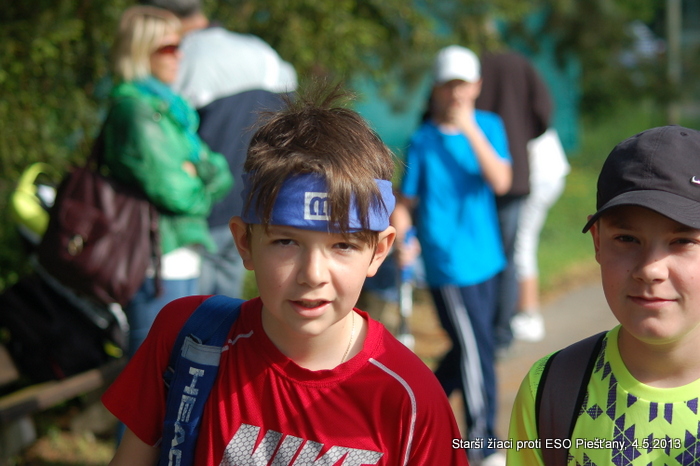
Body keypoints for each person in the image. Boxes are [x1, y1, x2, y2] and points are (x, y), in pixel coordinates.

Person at [102, 84, 470, 466]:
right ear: (245, 242)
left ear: (378, 251)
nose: (313, 275)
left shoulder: (412, 402)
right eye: (286, 242)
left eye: (343, 245)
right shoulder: (190, 340)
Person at [508, 125, 700, 464]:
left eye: (682, 241)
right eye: (627, 239)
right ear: (598, 242)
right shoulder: (551, 390)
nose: (650, 269)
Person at [394, 45, 511, 465]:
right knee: (475, 351)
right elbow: (405, 203)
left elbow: (501, 180)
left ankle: (413, 407)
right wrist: (402, 238)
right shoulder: (422, 140)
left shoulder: (489, 126)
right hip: (448, 264)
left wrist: (469, 129)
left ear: (477, 86)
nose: (456, 93)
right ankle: (483, 442)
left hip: (488, 258)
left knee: (477, 347)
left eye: (463, 84)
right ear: (437, 89)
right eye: (448, 85)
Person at [139, 0, 298, 299]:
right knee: (227, 313)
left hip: (201, 217)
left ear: (164, 17)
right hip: (256, 209)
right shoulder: (263, 52)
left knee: (190, 314)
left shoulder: (182, 59)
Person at [104, 5, 233, 356]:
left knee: (177, 366)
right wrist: (198, 181)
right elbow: (178, 194)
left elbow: (220, 171)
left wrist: (196, 174)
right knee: (154, 368)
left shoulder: (172, 110)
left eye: (181, 46)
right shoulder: (137, 112)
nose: (180, 56)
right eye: (169, 47)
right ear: (141, 51)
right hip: (155, 261)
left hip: (180, 252)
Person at [475, 50, 552, 353]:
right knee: (507, 257)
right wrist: (518, 137)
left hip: (472, 177)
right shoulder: (522, 64)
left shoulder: (471, 65)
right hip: (515, 174)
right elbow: (544, 111)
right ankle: (500, 334)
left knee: (480, 255)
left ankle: (481, 331)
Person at [510, 128, 570, 342]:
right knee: (523, 242)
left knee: (521, 243)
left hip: (538, 175)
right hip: (548, 170)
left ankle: (528, 315)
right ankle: (524, 310)